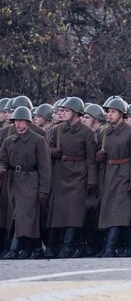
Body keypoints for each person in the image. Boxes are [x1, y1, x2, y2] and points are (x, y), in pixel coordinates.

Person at [46, 96, 97, 258]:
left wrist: (91, 180)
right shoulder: (57, 130)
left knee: (75, 213)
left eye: (67, 111)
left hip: (79, 174)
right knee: (59, 211)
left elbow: (91, 159)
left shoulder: (87, 132)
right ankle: (55, 245)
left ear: (76, 113)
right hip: (61, 172)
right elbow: (47, 149)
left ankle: (68, 245)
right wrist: (54, 152)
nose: (64, 113)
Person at [0, 106, 51, 259]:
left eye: (21, 121)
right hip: (14, 181)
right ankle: (35, 248)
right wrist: (2, 168)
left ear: (28, 122)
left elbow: (45, 167)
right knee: (21, 215)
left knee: (23, 215)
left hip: (31, 181)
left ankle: (15, 248)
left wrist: (44, 190)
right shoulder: (9, 141)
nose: (18, 124)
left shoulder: (38, 140)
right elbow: (3, 160)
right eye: (16, 121)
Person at [96, 96, 131, 258]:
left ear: (122, 114)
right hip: (109, 174)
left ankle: (109, 247)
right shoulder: (104, 132)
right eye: (108, 112)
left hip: (125, 175)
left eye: (113, 112)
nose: (109, 115)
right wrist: (99, 157)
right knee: (114, 212)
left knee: (119, 211)